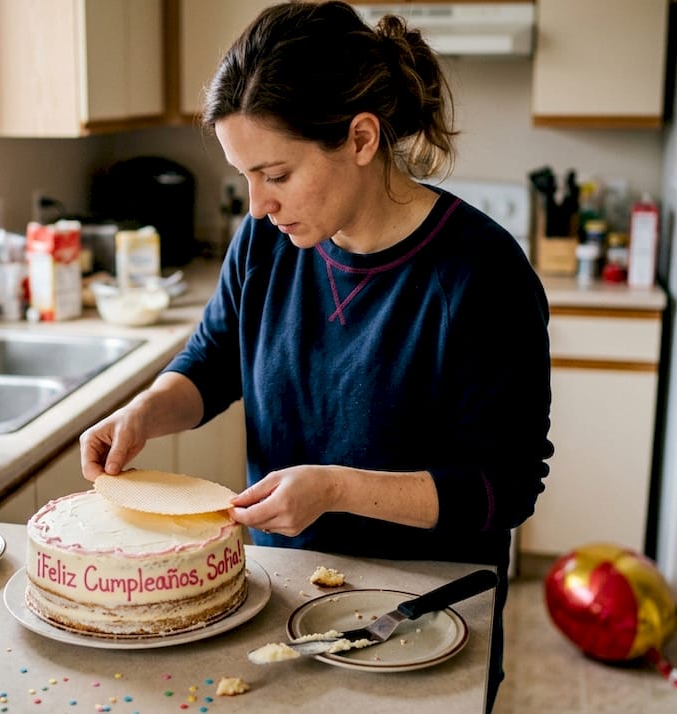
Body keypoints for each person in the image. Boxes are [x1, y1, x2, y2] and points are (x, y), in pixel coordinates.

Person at [79, 1, 552, 709]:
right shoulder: (266, 243)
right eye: (244, 176)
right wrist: (145, 412)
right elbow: (213, 361)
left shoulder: (481, 275)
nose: (257, 204)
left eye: (275, 174)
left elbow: (503, 488)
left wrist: (335, 489)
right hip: (285, 592)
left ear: (361, 138)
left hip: (424, 612)